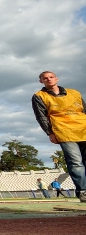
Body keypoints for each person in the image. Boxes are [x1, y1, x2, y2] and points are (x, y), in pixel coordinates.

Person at [32, 71, 86, 203]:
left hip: (83, 128)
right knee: (75, 162)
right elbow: (41, 116)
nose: (49, 80)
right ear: (41, 81)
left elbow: (84, 110)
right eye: (45, 78)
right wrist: (50, 133)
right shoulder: (39, 96)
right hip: (63, 131)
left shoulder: (74, 93)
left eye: (51, 77)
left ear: (56, 78)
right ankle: (83, 191)